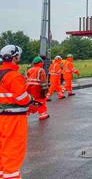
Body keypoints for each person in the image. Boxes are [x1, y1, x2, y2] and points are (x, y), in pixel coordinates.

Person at [0, 45, 35, 179]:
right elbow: (22, 99)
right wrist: (31, 99)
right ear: (14, 57)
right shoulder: (14, 77)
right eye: (18, 55)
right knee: (13, 151)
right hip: (13, 120)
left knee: (2, 150)